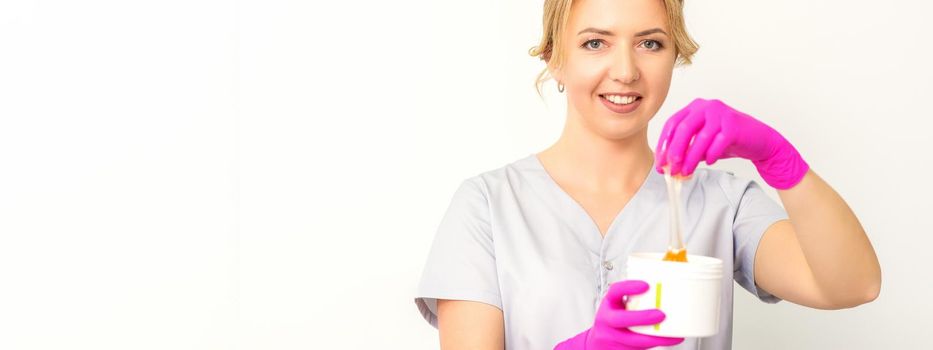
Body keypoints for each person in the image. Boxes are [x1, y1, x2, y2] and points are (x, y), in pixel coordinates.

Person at [414, 0, 881, 349]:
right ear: (555, 57)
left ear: (673, 56)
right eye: (595, 42)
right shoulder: (488, 206)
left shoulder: (721, 202)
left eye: (650, 43)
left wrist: (779, 160)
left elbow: (852, 284)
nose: (625, 70)